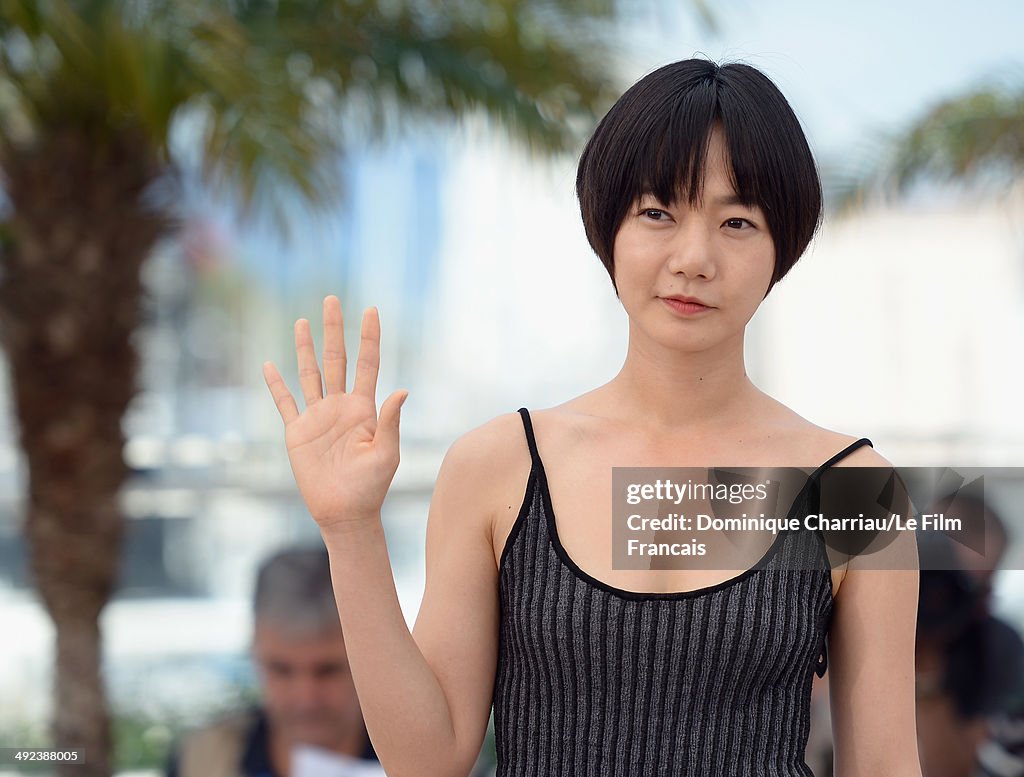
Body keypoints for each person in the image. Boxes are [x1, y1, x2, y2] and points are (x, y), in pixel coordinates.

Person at [262, 57, 923, 776]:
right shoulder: (499, 464)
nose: (694, 257)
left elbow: (885, 764)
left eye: (738, 221)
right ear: (607, 229)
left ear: (780, 248)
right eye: (657, 213)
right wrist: (350, 528)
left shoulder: (853, 489)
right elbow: (428, 760)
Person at [166, 546, 380, 777]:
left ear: (370, 658)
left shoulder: (416, 754)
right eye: (281, 670)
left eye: (328, 671)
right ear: (254, 651)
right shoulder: (202, 759)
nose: (306, 697)